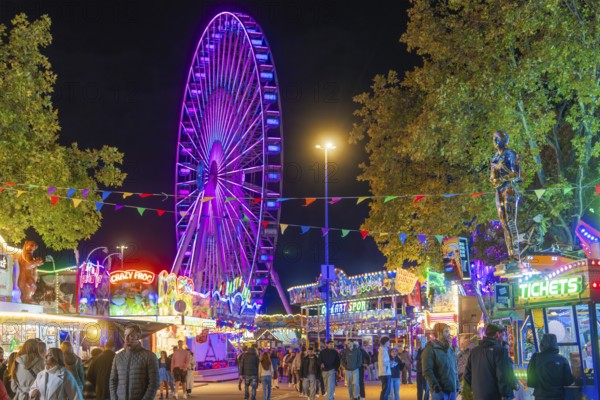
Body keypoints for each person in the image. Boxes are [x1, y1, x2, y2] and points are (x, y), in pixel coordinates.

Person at [490, 130, 521, 260]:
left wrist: (502, 170)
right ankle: (510, 254)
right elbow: (492, 179)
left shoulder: (510, 154)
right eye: (494, 139)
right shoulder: (494, 158)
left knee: (510, 221)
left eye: (497, 139)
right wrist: (495, 171)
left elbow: (516, 175)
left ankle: (516, 253)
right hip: (499, 191)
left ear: (503, 140)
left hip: (509, 189)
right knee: (504, 224)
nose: (495, 142)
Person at [464, 323, 514, 400]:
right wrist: (506, 395)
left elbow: (467, 375)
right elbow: (503, 376)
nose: (503, 337)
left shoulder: (474, 351)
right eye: (503, 334)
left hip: (478, 396)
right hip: (494, 396)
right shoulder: (500, 351)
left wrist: (477, 390)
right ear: (497, 334)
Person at [109, 324, 159, 400]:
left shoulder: (149, 356)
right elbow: (113, 381)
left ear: (138, 337)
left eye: (130, 335)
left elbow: (154, 382)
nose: (126, 338)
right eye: (125, 335)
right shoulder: (118, 357)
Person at [527, 333, 574, 400]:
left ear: (542, 343)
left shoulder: (535, 357)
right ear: (555, 344)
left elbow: (531, 382)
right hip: (557, 396)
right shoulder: (563, 360)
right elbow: (568, 381)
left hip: (540, 396)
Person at [422, 323, 460, 400]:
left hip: (452, 391)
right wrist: (436, 388)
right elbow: (427, 371)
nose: (449, 334)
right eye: (446, 331)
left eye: (448, 331)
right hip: (440, 392)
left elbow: (454, 369)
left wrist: (457, 386)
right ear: (438, 333)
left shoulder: (449, 349)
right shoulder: (430, 349)